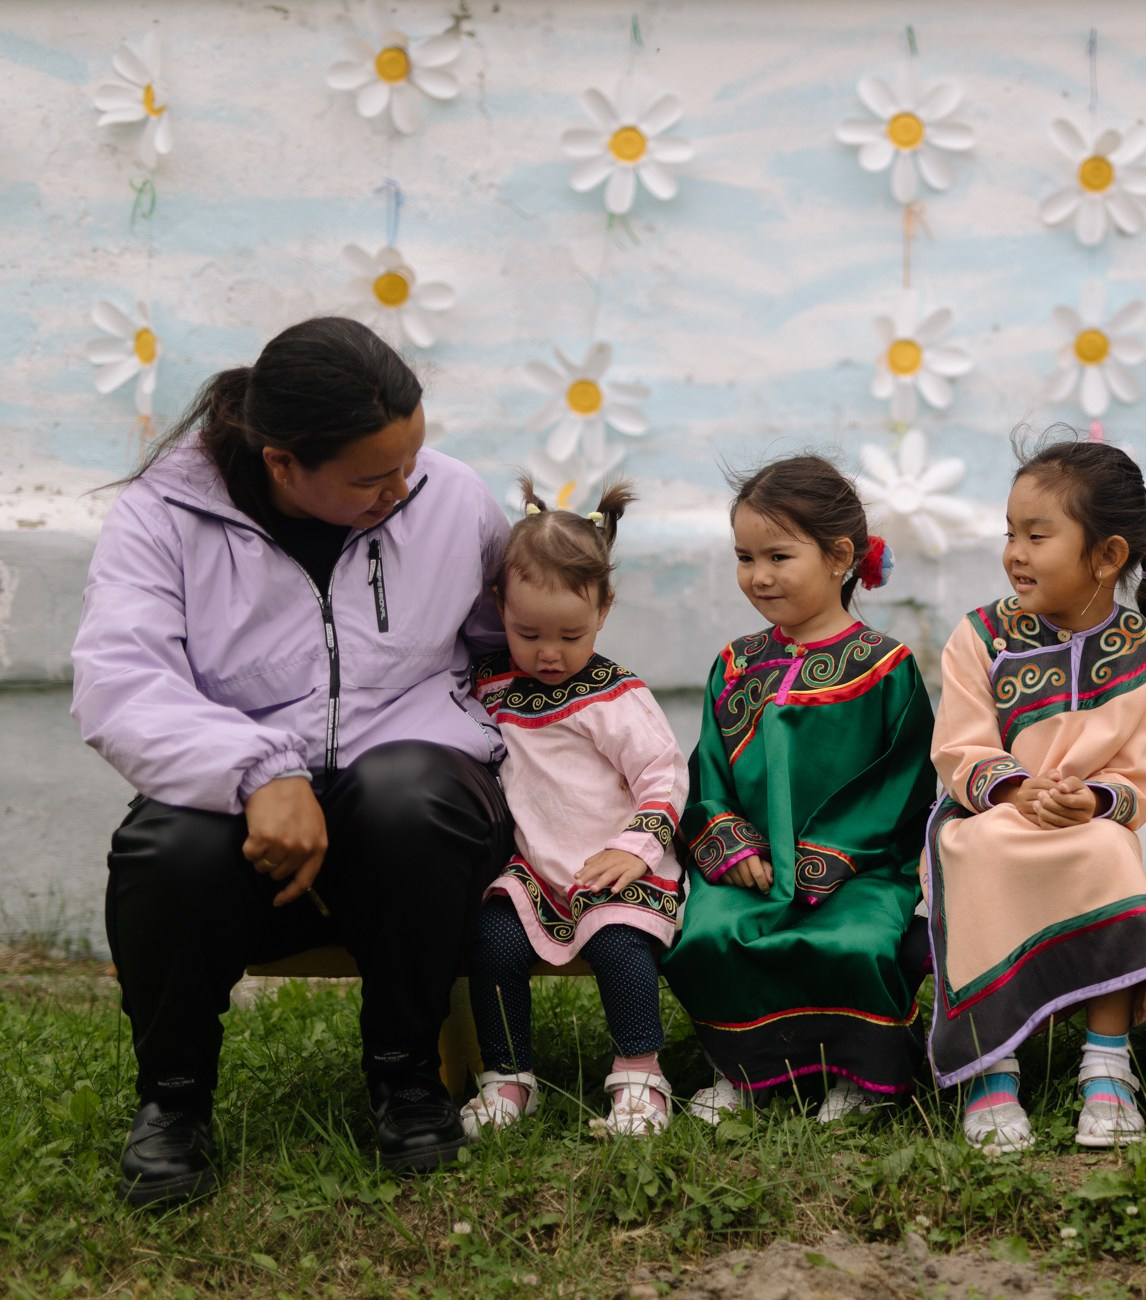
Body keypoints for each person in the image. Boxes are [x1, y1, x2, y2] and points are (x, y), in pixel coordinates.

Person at [70, 317, 513, 1207]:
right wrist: (257, 770)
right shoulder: (162, 516)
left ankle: (406, 1080)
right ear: (282, 465)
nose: (403, 488)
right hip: (251, 840)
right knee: (170, 849)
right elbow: (122, 683)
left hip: (409, 837)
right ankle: (173, 1106)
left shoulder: (453, 497)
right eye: (370, 478)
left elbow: (507, 649)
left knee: (407, 798)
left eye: (410, 461)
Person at [926, 434, 1146, 1153]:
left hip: (1081, 822)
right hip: (989, 814)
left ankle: (1106, 1070)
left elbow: (1140, 781)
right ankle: (989, 1066)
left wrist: (1091, 801)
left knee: (1109, 849)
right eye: (1011, 532)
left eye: (1037, 535)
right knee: (977, 851)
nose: (1015, 552)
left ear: (1107, 556)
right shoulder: (980, 637)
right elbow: (960, 747)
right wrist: (1013, 790)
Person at [662, 455, 937, 1122]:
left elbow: (903, 783)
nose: (758, 576)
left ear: (839, 555)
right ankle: (745, 1071)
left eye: (778, 556)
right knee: (709, 931)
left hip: (858, 872)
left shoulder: (886, 667)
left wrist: (825, 859)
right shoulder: (735, 665)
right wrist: (729, 842)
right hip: (749, 871)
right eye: (744, 556)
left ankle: (861, 1074)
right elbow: (709, 775)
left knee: (853, 942)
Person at [459, 478, 689, 1139]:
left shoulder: (614, 697)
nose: (550, 653)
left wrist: (636, 848)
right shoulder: (491, 684)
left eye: (571, 633)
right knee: (492, 942)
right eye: (527, 633)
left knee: (620, 948)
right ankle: (507, 1077)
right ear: (499, 605)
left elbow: (663, 775)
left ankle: (641, 1077)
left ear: (605, 610)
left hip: (613, 864)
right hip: (532, 869)